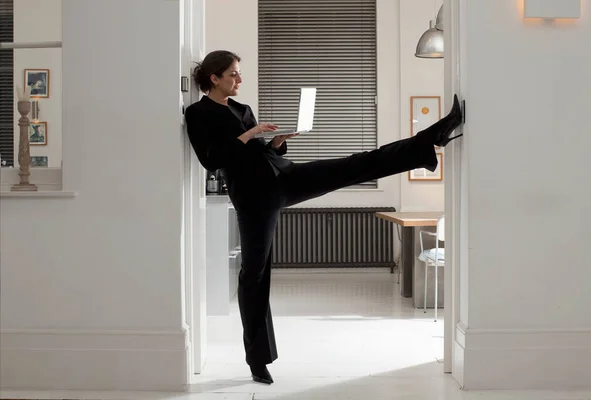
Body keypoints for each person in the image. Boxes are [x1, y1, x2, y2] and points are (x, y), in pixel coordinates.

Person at [185, 50, 463, 385]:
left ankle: (429, 142)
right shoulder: (198, 113)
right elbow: (212, 160)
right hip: (254, 197)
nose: (239, 80)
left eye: (239, 73)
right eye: (233, 74)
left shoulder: (241, 109)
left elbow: (256, 153)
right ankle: (258, 360)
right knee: (254, 274)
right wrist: (247, 134)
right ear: (214, 78)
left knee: (354, 164)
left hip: (283, 178)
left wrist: (275, 142)